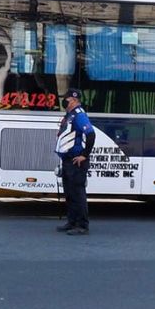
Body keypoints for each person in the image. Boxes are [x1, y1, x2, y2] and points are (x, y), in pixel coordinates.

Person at [54, 87, 94, 235]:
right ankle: (72, 222)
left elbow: (90, 134)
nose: (65, 101)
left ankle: (82, 225)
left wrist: (85, 155)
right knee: (70, 193)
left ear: (74, 100)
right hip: (68, 161)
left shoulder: (79, 115)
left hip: (76, 162)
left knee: (78, 194)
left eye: (67, 99)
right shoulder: (70, 115)